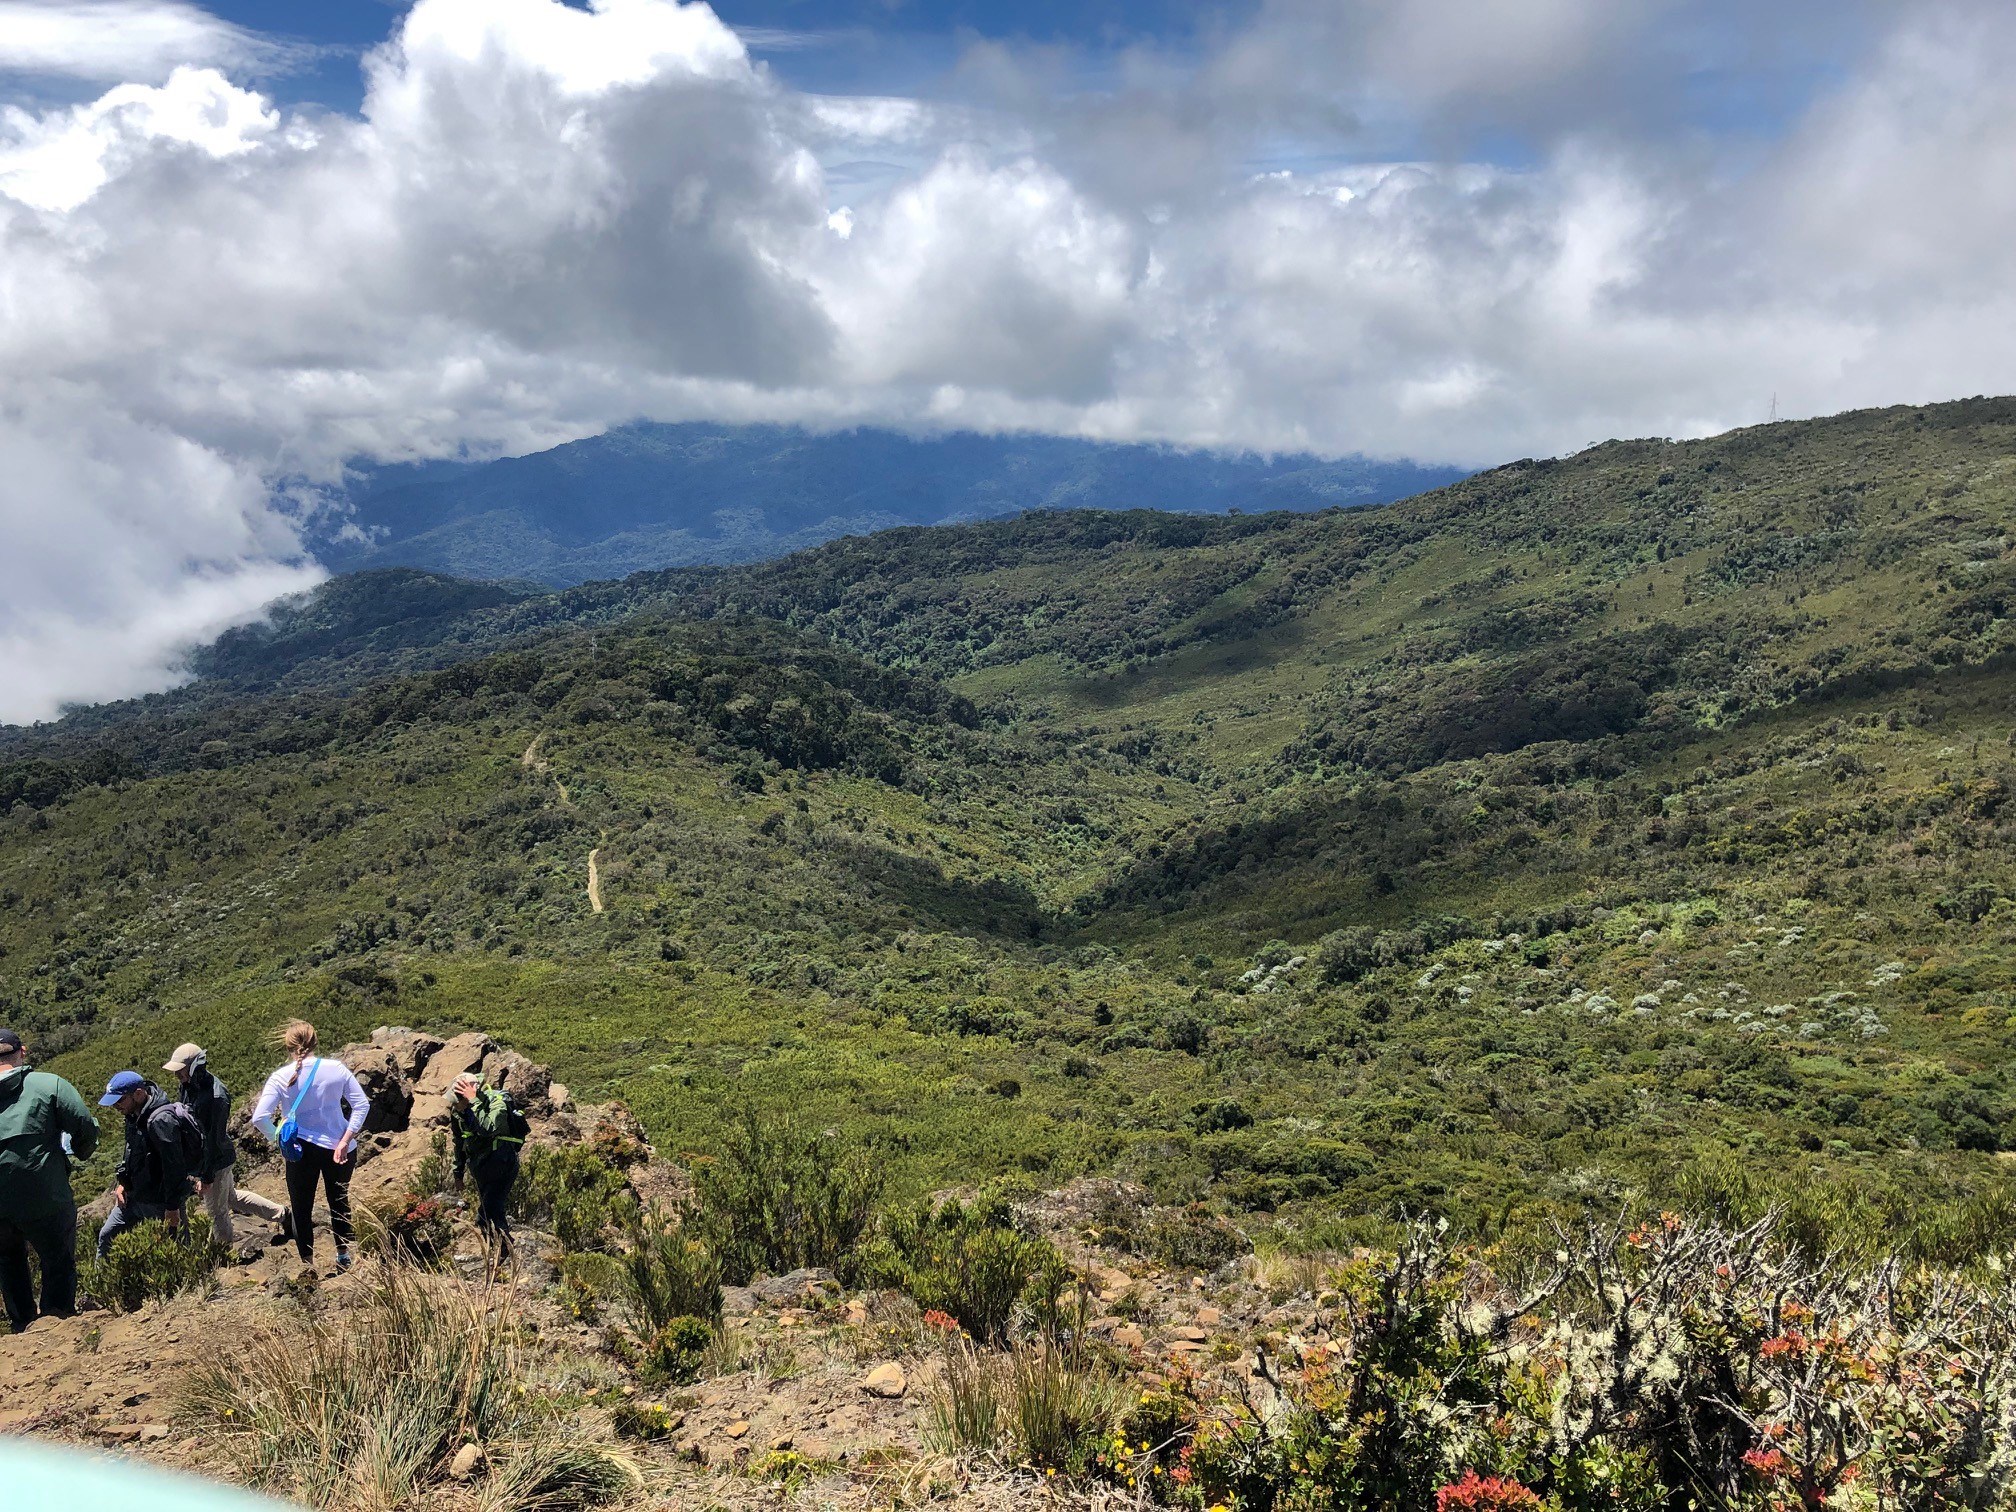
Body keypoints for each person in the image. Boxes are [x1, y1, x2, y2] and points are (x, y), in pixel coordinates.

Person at [0, 1028, 100, 1332]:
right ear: (22, 1052)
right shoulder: (49, 1084)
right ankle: (56, 1321)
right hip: (47, 1194)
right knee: (57, 1258)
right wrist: (82, 1151)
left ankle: (21, 1324)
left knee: (8, 1263)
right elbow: (83, 1125)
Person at [250, 1021, 369, 1276]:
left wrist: (277, 1138)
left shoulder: (280, 1077)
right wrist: (346, 1139)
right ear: (315, 1041)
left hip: (299, 1150)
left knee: (301, 1207)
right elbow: (362, 1105)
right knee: (339, 1201)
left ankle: (308, 1265)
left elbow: (259, 1117)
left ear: (288, 1046)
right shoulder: (336, 1069)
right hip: (338, 1146)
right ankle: (344, 1256)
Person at [164, 1042, 288, 1247]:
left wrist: (206, 1176)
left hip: (217, 1160)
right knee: (230, 1197)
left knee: (216, 1211)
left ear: (194, 1067)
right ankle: (282, 1214)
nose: (177, 1075)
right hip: (210, 1157)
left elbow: (214, 1138)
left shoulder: (216, 1096)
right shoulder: (189, 1086)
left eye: (181, 1070)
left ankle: (224, 1253)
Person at [96, 1070, 201, 1259]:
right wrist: (122, 1184)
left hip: (160, 1202)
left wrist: (172, 1207)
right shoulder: (133, 1116)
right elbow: (133, 1153)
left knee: (177, 1251)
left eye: (119, 1101)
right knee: (106, 1237)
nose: (115, 1107)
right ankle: (100, 1286)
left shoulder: (160, 1120)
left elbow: (173, 1167)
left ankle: (190, 1286)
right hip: (133, 1197)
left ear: (138, 1093)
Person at [449, 1073, 526, 1256]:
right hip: (481, 1168)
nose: (455, 1103)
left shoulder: (497, 1103)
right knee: (491, 1211)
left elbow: (488, 1128)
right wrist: (458, 1172)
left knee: (488, 1212)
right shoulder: (458, 1112)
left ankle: (504, 1253)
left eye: (459, 1097)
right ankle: (500, 1252)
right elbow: (459, 1142)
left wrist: (474, 1100)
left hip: (502, 1163)